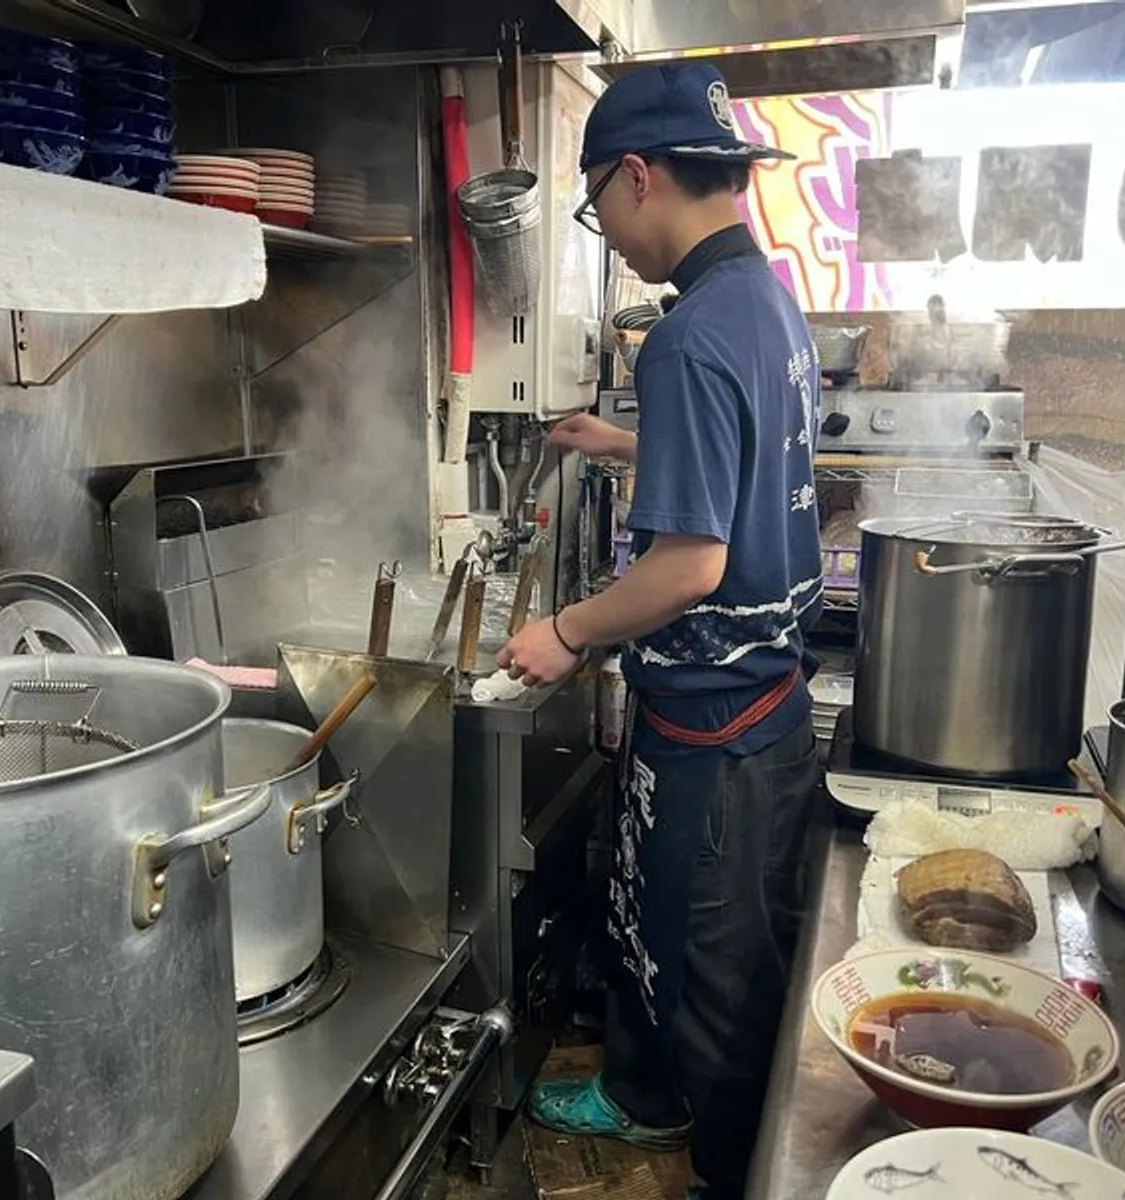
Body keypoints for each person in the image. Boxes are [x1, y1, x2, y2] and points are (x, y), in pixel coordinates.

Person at [494, 62, 825, 1200]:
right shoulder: (769, 302)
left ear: (639, 176)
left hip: (712, 724)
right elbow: (749, 461)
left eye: (598, 205)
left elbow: (690, 564)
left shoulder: (685, 336)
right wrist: (621, 443)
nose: (613, 236)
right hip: (765, 707)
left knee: (721, 973)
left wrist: (568, 632)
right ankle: (641, 1096)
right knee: (684, 934)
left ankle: (730, 1175)